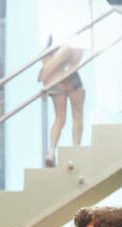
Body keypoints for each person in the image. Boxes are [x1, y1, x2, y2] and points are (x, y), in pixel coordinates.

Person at [38, 39, 85, 168]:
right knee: (77, 115)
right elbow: (76, 59)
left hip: (54, 79)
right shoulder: (72, 41)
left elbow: (45, 68)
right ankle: (75, 149)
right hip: (69, 77)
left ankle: (51, 152)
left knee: (60, 118)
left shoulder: (48, 45)